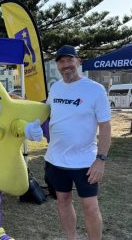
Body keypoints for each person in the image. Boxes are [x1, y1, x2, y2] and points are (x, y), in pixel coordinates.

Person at [44, 45, 111, 240]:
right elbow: (46, 112)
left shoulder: (95, 90)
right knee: (62, 201)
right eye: (61, 61)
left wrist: (101, 159)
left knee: (90, 207)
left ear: (78, 61)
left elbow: (105, 127)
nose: (66, 65)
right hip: (55, 160)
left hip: (84, 162)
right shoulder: (55, 88)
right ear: (57, 65)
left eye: (69, 60)